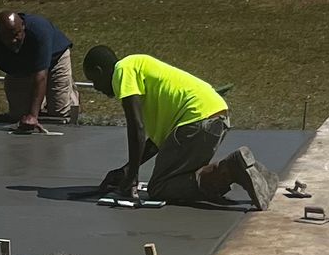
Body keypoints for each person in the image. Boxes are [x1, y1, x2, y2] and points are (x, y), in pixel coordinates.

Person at [81, 44, 273, 209]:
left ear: (99, 71)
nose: (96, 88)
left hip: (196, 120)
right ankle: (252, 170)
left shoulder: (123, 70)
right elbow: (156, 144)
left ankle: (230, 170)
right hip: (214, 116)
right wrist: (126, 170)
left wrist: (132, 178)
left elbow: (136, 128)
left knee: (160, 187)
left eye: (94, 80)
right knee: (180, 176)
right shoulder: (140, 69)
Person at [0, 9, 78, 131]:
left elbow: (40, 76)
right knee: (19, 116)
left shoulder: (39, 29)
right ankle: (39, 102)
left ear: (23, 27)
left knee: (59, 112)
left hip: (54, 60)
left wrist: (33, 116)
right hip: (19, 68)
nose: (12, 40)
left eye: (16, 34)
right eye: (7, 37)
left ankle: (70, 96)